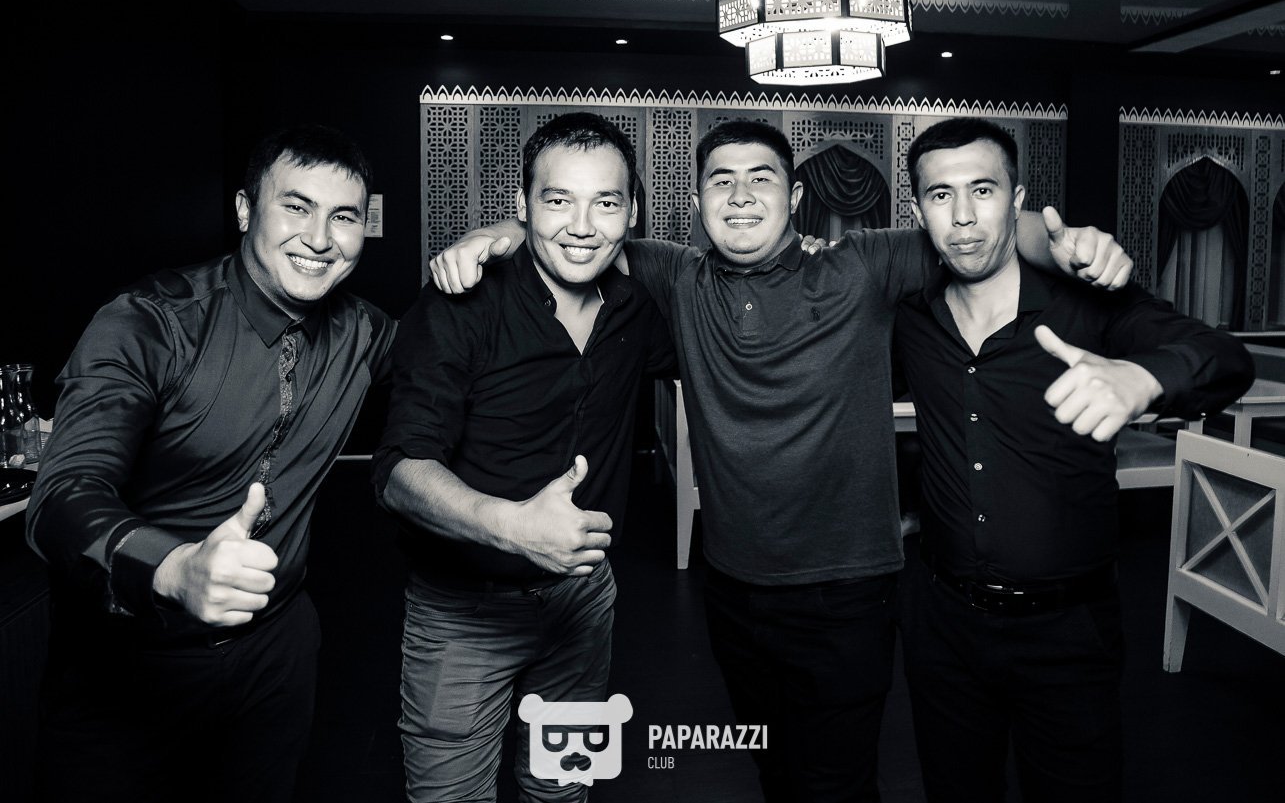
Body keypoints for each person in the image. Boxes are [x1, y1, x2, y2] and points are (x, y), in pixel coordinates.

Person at [430, 119, 1132, 803]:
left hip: (847, 591)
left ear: (794, 196)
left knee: (836, 785)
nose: (740, 196)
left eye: (760, 179)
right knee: (774, 771)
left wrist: (1066, 240)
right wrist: (490, 236)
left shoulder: (861, 265)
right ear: (697, 201)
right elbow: (575, 230)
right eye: (721, 181)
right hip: (733, 590)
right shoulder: (676, 275)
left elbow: (976, 231)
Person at [26, 124, 396, 803]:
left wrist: (508, 238)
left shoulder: (364, 333)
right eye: (296, 207)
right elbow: (63, 495)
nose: (320, 238)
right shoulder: (149, 322)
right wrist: (173, 567)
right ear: (246, 209)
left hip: (276, 655)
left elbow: (464, 350)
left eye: (343, 217)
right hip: (127, 666)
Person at [892, 117, 1254, 803]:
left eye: (982, 190)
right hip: (941, 623)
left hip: (1067, 629)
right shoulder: (909, 318)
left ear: (1017, 199)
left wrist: (1141, 378)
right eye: (940, 194)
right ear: (917, 210)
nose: (963, 215)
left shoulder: (1089, 307)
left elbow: (1225, 358)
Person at [372, 112, 674, 802]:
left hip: (583, 602)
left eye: (605, 202)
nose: (582, 226)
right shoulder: (461, 305)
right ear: (523, 205)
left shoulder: (634, 310)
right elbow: (398, 471)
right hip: (462, 612)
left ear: (631, 213)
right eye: (557, 199)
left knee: (561, 790)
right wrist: (510, 525)